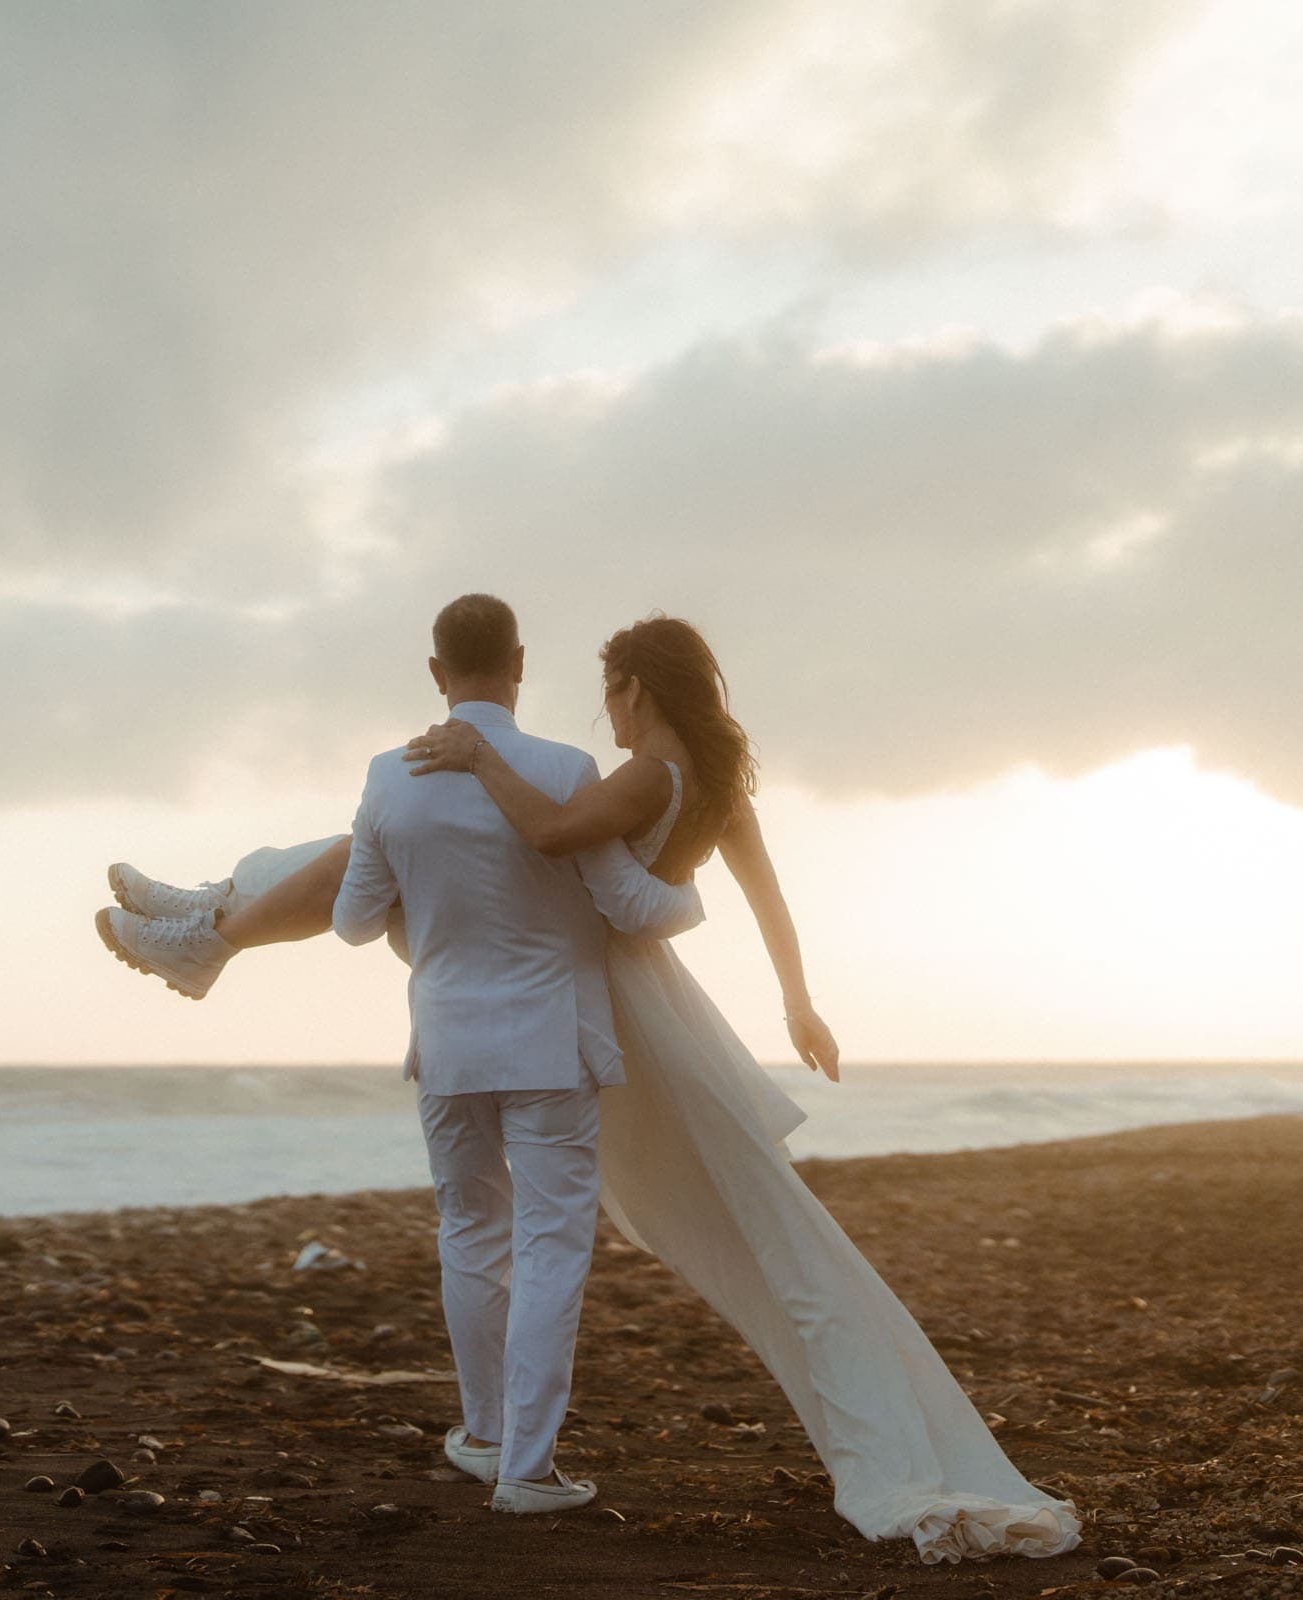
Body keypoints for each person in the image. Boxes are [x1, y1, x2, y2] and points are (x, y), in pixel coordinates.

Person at [95, 600, 1081, 1562]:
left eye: (609, 693)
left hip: (581, 977)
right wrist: (797, 1001)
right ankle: (209, 915)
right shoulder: (717, 778)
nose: (601, 714)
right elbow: (766, 891)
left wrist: (480, 758)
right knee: (377, 836)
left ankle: (212, 923)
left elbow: (556, 837)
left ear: (636, 688)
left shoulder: (647, 773)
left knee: (377, 839)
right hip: (608, 981)